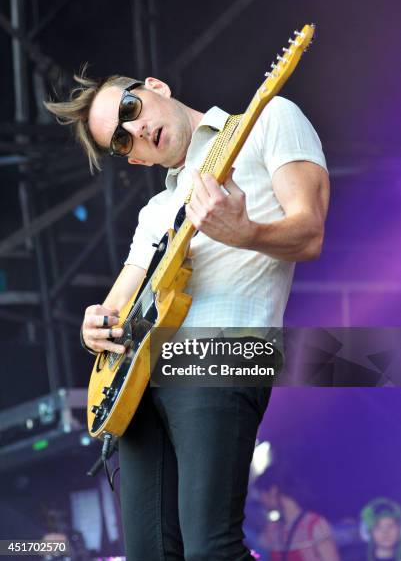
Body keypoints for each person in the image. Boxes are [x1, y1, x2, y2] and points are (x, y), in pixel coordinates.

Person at [45, 70, 329, 560]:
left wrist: (244, 232)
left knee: (210, 550)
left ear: (155, 87)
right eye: (120, 139)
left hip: (222, 352)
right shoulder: (155, 210)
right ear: (133, 157)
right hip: (139, 381)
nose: (134, 131)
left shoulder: (267, 119)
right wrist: (96, 327)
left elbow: (310, 233)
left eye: (129, 112)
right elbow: (115, 305)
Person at [257, 469, 340, 560]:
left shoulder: (314, 525)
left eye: (261, 494)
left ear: (273, 491)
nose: (261, 500)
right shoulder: (273, 528)